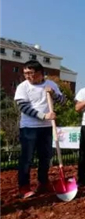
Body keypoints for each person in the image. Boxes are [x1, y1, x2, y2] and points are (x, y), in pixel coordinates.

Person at [14, 60, 65, 198]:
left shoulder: (51, 85)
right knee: (27, 158)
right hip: (29, 128)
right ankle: (24, 186)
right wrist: (44, 116)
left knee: (45, 157)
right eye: (25, 73)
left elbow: (63, 101)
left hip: (47, 128)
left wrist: (54, 94)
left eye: (30, 73)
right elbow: (23, 107)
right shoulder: (22, 87)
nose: (27, 76)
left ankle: (43, 182)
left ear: (40, 73)